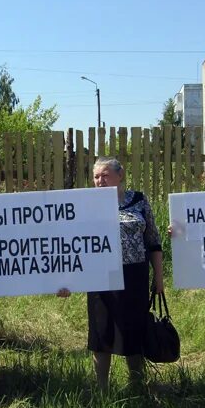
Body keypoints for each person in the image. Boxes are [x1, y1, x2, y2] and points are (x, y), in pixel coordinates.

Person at [64, 157, 164, 392]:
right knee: (102, 331)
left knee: (134, 328)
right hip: (100, 276)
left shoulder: (138, 200)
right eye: (96, 176)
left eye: (105, 175)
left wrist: (158, 278)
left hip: (134, 276)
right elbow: (69, 243)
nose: (100, 181)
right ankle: (102, 389)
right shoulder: (86, 205)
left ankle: (137, 384)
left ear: (121, 176)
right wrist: (67, 279)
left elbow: (153, 241)